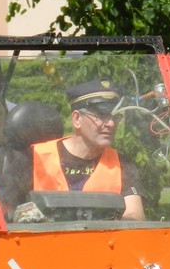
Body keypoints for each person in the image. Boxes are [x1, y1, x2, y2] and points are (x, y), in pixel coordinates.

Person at [30, 78, 146, 221]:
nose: (110, 123)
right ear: (77, 119)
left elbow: (135, 216)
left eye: (115, 117)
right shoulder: (34, 157)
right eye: (101, 116)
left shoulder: (122, 164)